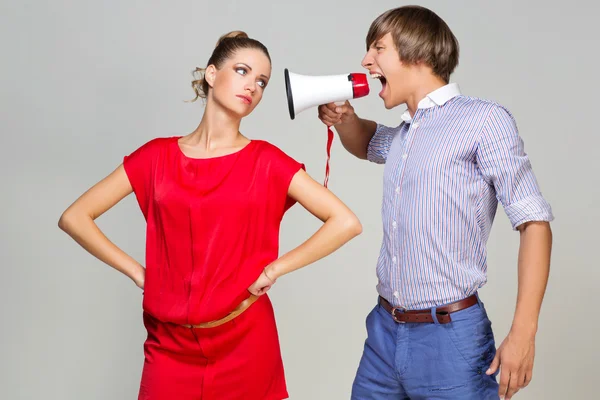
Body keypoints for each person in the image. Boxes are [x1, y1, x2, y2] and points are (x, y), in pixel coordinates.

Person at [58, 30, 362, 400]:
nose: (252, 86)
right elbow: (75, 216)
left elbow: (346, 222)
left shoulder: (266, 161)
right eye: (243, 71)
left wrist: (275, 269)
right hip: (168, 344)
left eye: (262, 81)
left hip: (245, 337)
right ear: (212, 74)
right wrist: (140, 273)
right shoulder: (156, 157)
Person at [318, 6, 553, 400]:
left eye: (378, 48)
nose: (365, 60)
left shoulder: (483, 120)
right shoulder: (404, 134)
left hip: (451, 339)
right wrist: (344, 120)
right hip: (383, 332)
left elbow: (534, 221)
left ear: (418, 54)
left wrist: (523, 333)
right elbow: (366, 142)